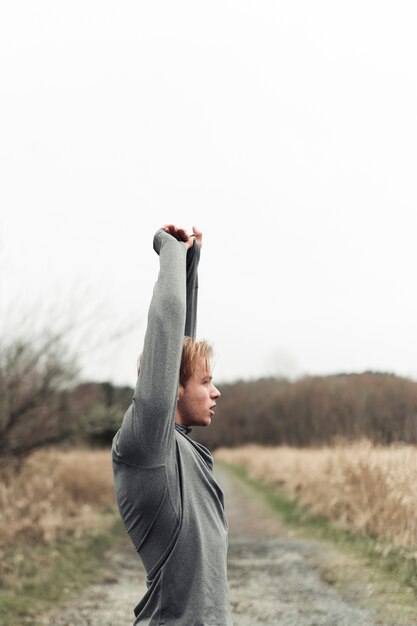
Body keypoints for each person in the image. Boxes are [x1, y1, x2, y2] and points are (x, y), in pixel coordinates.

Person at [112, 224, 232, 625]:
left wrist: (190, 270)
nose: (216, 392)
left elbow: (178, 352)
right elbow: (166, 331)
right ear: (173, 391)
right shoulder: (146, 446)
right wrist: (168, 252)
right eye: (206, 382)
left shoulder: (179, 447)